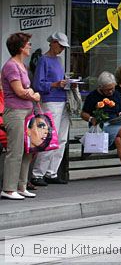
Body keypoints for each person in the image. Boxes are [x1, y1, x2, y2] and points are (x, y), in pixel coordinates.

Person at [81, 71, 121, 181]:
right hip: (101, 125)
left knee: (119, 139)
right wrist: (92, 118)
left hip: (116, 123)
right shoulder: (92, 96)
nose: (111, 91)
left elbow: (119, 110)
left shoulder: (116, 93)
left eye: (112, 88)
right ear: (101, 87)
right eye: (108, 89)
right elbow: (83, 114)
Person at [2, 32, 41, 200]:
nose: (30, 46)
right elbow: (19, 91)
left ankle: (21, 185)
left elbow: (26, 89)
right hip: (15, 112)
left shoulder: (22, 66)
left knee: (28, 150)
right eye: (27, 44)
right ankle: (9, 189)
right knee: (16, 150)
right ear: (20, 48)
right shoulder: (11, 66)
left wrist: (31, 93)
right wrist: (33, 95)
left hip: (27, 112)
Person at [31, 32, 71, 186]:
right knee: (48, 137)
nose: (61, 49)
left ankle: (51, 171)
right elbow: (37, 84)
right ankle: (38, 173)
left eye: (63, 46)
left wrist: (66, 84)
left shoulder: (58, 60)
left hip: (61, 100)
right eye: (60, 45)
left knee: (61, 138)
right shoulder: (44, 60)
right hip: (50, 101)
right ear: (53, 43)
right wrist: (55, 84)